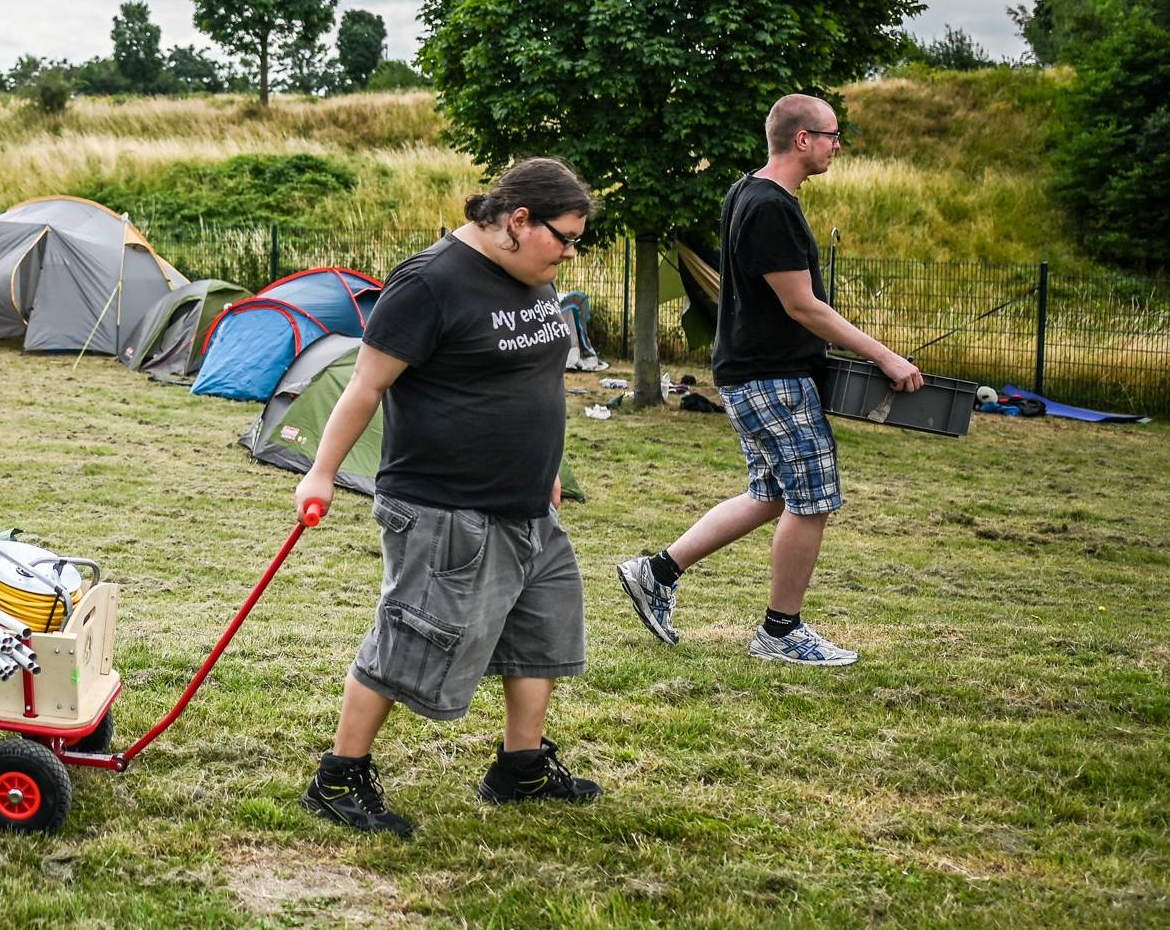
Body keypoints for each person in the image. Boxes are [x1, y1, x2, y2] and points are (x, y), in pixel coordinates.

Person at [293, 158, 602, 836]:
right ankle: (338, 777)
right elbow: (365, 385)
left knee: (542, 628)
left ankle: (520, 767)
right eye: (566, 236)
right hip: (446, 506)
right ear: (518, 220)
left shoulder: (533, 277)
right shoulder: (431, 282)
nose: (572, 253)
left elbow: (531, 378)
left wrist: (548, 463)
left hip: (528, 503)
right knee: (412, 638)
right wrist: (320, 472)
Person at [616, 94, 924, 667]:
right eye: (832, 134)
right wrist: (886, 356)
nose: (838, 145)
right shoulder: (772, 207)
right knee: (811, 500)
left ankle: (654, 573)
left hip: (756, 370)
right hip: (772, 376)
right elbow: (803, 306)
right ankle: (780, 633)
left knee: (772, 494)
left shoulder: (749, 191)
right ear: (802, 139)